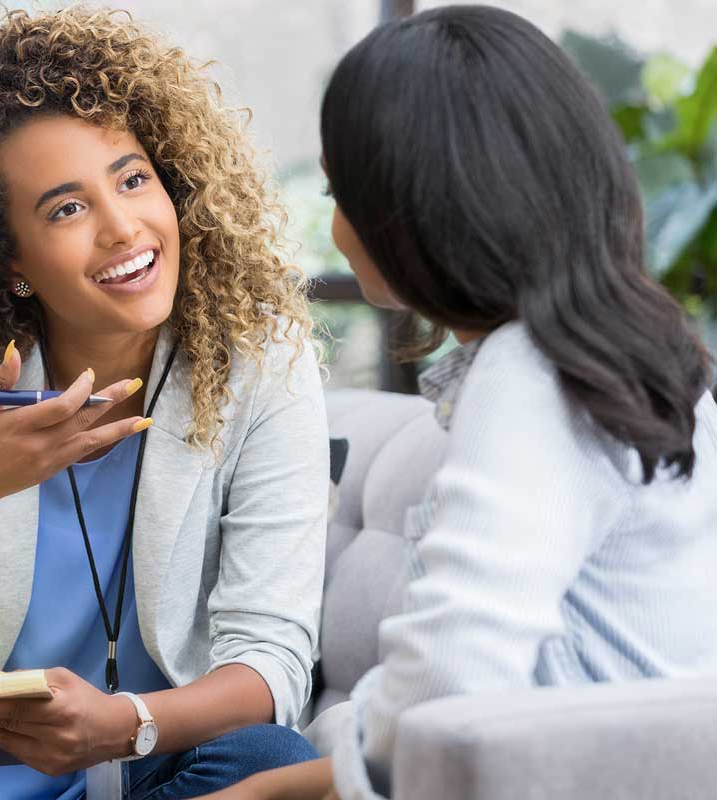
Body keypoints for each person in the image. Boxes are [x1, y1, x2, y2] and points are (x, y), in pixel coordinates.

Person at [206, 6, 717, 800]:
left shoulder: (531, 375)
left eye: (344, 193)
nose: (337, 228)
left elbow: (447, 685)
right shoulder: (646, 355)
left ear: (420, 211)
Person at [0, 7, 329, 799]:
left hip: (165, 770)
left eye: (132, 179)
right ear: (10, 259)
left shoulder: (261, 364)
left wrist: (126, 723)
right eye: (66, 208)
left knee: (270, 759)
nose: (123, 228)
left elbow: (272, 664)